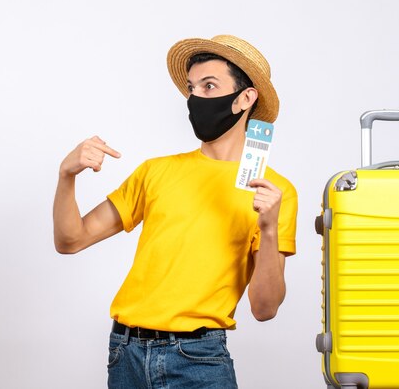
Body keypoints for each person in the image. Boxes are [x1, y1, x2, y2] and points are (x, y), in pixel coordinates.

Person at [52, 34, 298, 389]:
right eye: (192, 88)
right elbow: (70, 240)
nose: (197, 97)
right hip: (126, 354)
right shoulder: (156, 172)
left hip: (198, 360)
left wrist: (270, 228)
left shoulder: (274, 192)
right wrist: (66, 176)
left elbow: (265, 309)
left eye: (209, 85)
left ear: (246, 98)